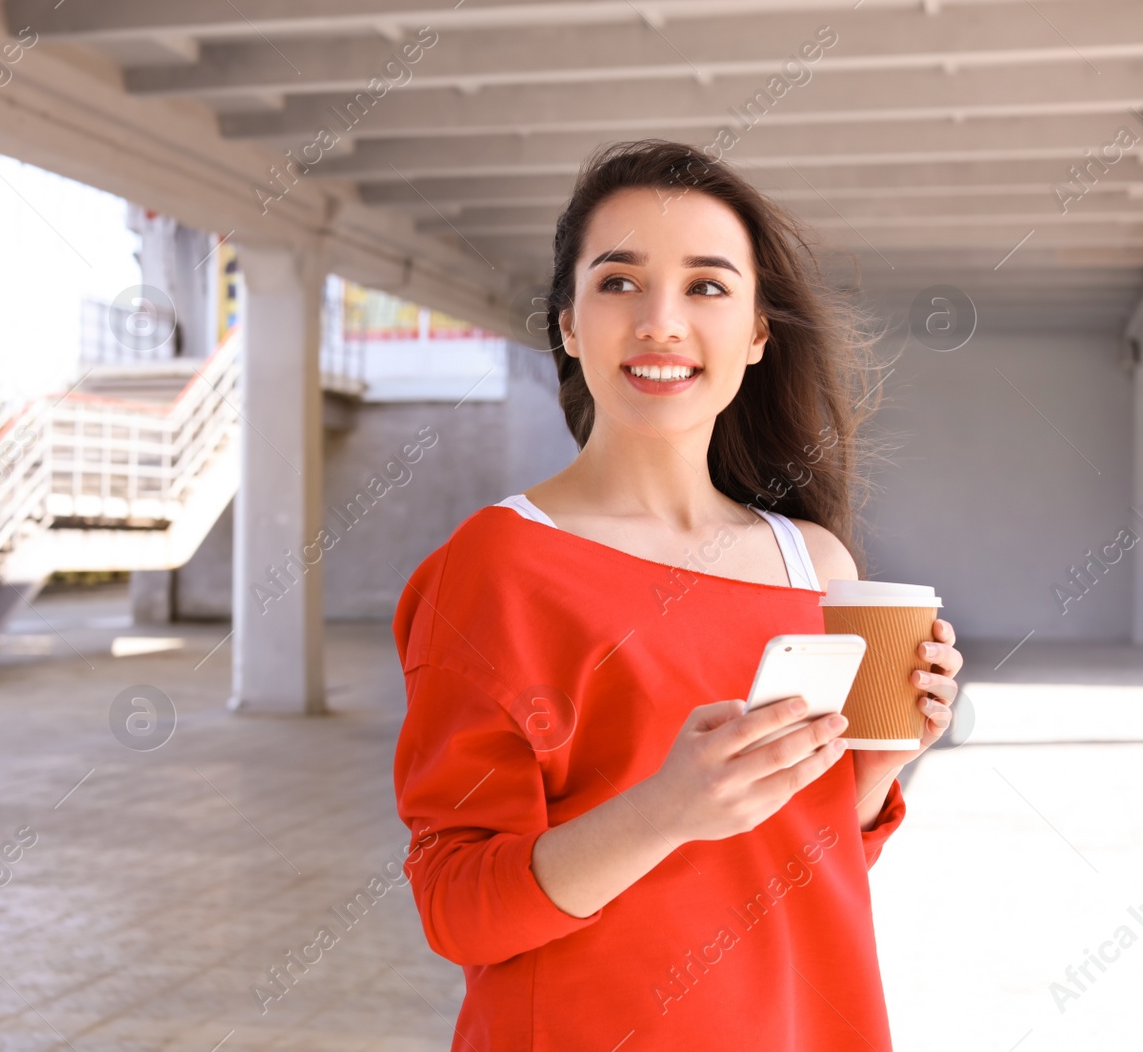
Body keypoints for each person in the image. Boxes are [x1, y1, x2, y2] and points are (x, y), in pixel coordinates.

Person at [391, 139, 963, 1051]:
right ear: (569, 324)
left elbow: (806, 865)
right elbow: (458, 907)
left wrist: (879, 765)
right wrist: (663, 811)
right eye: (619, 282)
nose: (660, 320)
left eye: (707, 285)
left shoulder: (817, 564)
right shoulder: (493, 566)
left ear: (759, 332)